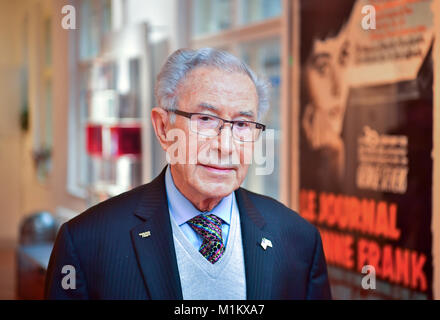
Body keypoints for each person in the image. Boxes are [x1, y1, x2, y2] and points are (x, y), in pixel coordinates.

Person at [45, 48, 331, 300]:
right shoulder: (86, 244)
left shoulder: (299, 241)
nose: (225, 146)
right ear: (163, 128)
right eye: (205, 119)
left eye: (243, 124)